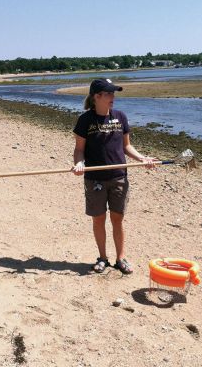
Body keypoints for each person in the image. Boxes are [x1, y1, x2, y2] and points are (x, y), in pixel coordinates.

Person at [72, 78, 156, 274]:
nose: (113, 97)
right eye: (109, 93)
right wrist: (79, 163)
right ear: (96, 97)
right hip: (95, 180)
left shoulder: (120, 116)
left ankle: (120, 258)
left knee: (117, 219)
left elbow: (126, 146)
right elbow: (78, 150)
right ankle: (102, 258)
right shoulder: (85, 120)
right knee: (98, 219)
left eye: (113, 93)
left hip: (119, 176)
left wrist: (142, 158)